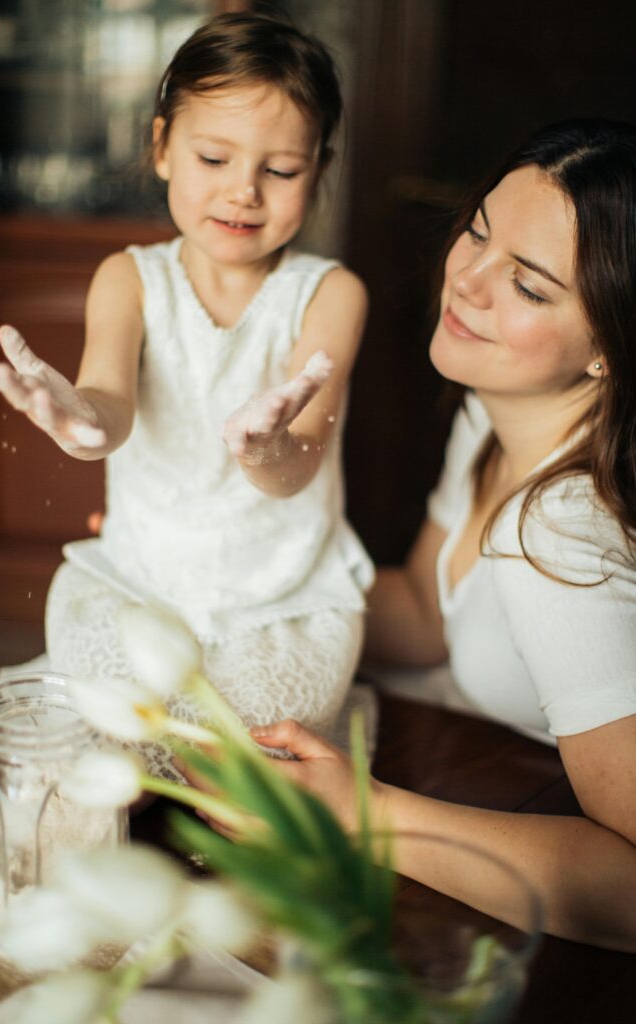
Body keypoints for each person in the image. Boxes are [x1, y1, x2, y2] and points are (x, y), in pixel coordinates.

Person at [246, 119, 636, 951]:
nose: (468, 282)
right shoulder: (494, 416)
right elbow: (425, 611)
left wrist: (366, 816)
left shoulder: (563, 538)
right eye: (478, 234)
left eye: (529, 287)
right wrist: (221, 563)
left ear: (609, 344)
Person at [0, 13, 374, 771]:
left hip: (281, 605)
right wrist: (80, 421)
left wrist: (267, 445)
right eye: (213, 157)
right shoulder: (129, 278)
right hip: (142, 582)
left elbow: (299, 464)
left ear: (319, 169)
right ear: (161, 147)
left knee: (249, 736)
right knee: (108, 718)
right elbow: (108, 402)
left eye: (280, 170)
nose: (242, 192)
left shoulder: (330, 294)